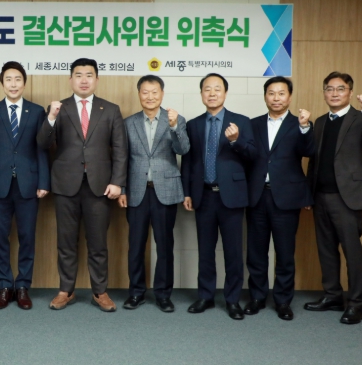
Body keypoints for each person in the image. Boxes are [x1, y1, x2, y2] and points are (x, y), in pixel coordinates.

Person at [37, 58, 127, 312]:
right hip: (66, 185)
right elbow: (43, 144)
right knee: (66, 242)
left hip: (100, 186)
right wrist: (51, 118)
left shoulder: (111, 109)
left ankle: (100, 291)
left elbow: (120, 149)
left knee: (98, 243)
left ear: (97, 79)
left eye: (89, 75)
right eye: (79, 75)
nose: (84, 80)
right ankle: (66, 290)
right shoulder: (58, 108)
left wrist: (118, 182)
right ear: (70, 79)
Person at [181, 73, 257, 320]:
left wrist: (236, 141)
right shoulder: (193, 124)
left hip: (232, 196)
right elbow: (188, 161)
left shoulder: (241, 122)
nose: (212, 93)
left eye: (217, 89)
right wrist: (187, 192)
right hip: (203, 195)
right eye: (207, 89)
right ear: (201, 93)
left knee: (233, 251)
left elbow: (253, 156)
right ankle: (205, 296)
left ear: (225, 93)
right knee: (205, 250)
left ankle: (232, 300)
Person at [0, 62, 50, 310]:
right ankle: (5, 286)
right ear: (2, 83)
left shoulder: (36, 111)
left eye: (18, 79)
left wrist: (43, 181)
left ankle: (23, 287)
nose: (13, 84)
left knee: (27, 237)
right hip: (0, 183)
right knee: (1, 238)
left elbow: (42, 148)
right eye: (8, 79)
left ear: (24, 83)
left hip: (29, 183)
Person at [117, 75, 189, 312]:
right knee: (135, 246)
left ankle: (163, 295)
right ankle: (136, 293)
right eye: (145, 92)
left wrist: (174, 127)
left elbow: (183, 149)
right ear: (139, 94)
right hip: (136, 191)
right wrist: (122, 189)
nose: (150, 96)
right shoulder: (128, 123)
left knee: (164, 246)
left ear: (162, 94)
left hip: (165, 191)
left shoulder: (176, 119)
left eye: (154, 92)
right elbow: (122, 159)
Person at [245, 76, 314, 321]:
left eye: (281, 93)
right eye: (271, 93)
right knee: (256, 252)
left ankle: (283, 301)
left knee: (285, 253)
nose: (276, 98)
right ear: (265, 96)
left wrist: (305, 128)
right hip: (257, 196)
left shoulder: (300, 124)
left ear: (290, 97)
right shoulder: (252, 124)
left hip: (286, 198)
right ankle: (257, 297)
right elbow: (246, 156)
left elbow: (309, 151)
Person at [304, 72, 362, 325]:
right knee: (326, 249)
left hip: (347, 197)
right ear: (324, 93)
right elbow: (314, 160)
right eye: (329, 89)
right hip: (320, 195)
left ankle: (356, 304)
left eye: (340, 89)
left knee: (352, 252)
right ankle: (332, 296)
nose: (334, 93)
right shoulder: (320, 122)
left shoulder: (360, 118)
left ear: (350, 93)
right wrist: (308, 193)